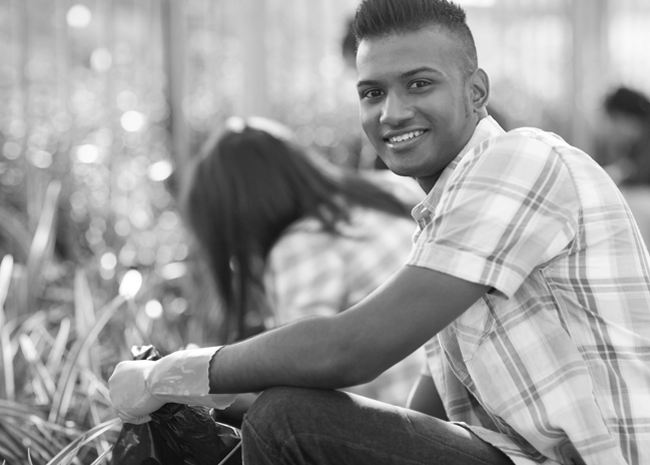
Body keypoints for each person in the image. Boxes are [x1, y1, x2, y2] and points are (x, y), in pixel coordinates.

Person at [109, 1, 650, 464]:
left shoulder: (520, 162)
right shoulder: (443, 218)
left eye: (419, 83)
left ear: (477, 91)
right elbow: (421, 413)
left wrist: (173, 375)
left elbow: (348, 350)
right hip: (515, 453)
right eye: (372, 93)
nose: (392, 112)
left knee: (285, 418)